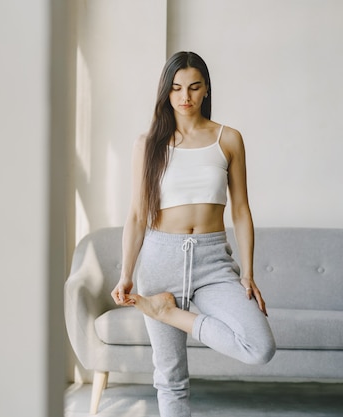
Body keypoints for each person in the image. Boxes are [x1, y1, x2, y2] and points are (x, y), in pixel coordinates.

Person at [110, 51, 276, 416]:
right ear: (166, 93)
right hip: (160, 258)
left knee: (259, 345)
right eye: (176, 88)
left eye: (194, 87)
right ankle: (162, 309)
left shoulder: (228, 139)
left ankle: (166, 312)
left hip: (213, 261)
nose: (185, 96)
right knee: (169, 378)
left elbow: (241, 210)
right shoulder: (148, 144)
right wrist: (125, 275)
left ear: (205, 91)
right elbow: (138, 215)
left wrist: (247, 273)